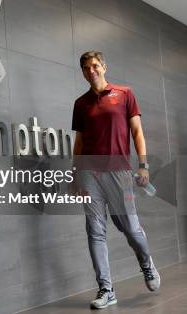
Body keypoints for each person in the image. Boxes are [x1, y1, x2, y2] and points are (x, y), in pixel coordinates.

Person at [70, 51, 160, 309]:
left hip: (119, 172)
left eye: (95, 65)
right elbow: (79, 142)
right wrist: (75, 174)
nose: (91, 71)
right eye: (86, 68)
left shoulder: (124, 94)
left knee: (130, 228)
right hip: (89, 174)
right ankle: (106, 289)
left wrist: (143, 165)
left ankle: (146, 264)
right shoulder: (81, 103)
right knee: (95, 231)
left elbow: (137, 131)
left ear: (104, 67)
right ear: (83, 72)